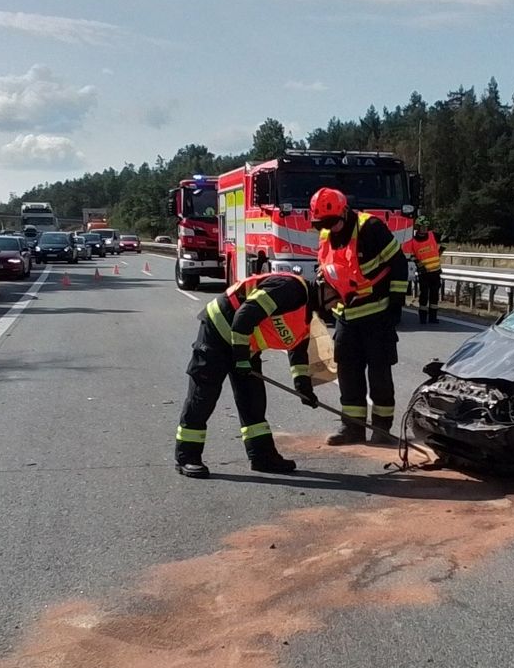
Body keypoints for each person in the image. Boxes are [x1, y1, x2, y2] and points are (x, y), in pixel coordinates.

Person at [174, 269, 320, 478]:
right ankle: (187, 457)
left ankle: (262, 457)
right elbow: (245, 315)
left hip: (244, 345)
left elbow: (297, 351)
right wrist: (241, 358)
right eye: (336, 301)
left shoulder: (306, 314)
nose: (334, 307)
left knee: (253, 400)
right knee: (203, 396)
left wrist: (303, 387)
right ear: (325, 289)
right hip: (218, 332)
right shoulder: (289, 288)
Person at [311, 187, 409, 446]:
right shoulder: (325, 235)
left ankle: (382, 429)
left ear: (345, 211)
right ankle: (352, 429)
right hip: (346, 317)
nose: (330, 228)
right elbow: (326, 269)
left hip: (377, 315)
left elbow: (398, 264)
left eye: (333, 222)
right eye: (324, 224)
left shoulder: (370, 229)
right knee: (348, 373)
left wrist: (395, 306)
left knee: (379, 375)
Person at [403, 216, 442, 324]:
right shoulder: (413, 241)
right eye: (422, 227)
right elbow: (411, 255)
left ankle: (433, 318)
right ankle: (423, 318)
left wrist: (440, 252)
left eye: (426, 227)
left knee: (434, 295)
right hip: (423, 273)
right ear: (418, 227)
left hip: (435, 271)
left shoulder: (432, 235)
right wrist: (419, 265)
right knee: (424, 295)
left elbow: (445, 239)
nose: (425, 229)